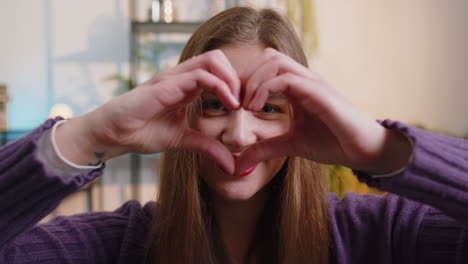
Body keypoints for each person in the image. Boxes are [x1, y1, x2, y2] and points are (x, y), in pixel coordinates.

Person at [1, 6, 467, 264]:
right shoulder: (115, 244)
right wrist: (85, 137)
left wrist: (380, 149)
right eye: (215, 105)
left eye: (268, 108)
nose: (240, 135)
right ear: (183, 112)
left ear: (302, 116)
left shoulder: (383, 235)